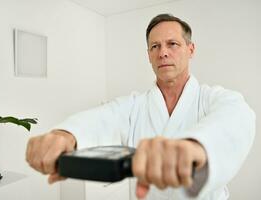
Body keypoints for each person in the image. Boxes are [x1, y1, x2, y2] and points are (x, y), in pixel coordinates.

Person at [26, 14, 255, 200]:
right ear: (148, 55)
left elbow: (236, 117)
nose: (163, 52)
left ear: (190, 49)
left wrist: (195, 146)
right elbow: (104, 117)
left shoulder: (213, 99)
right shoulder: (135, 106)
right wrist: (66, 134)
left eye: (172, 44)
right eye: (155, 46)